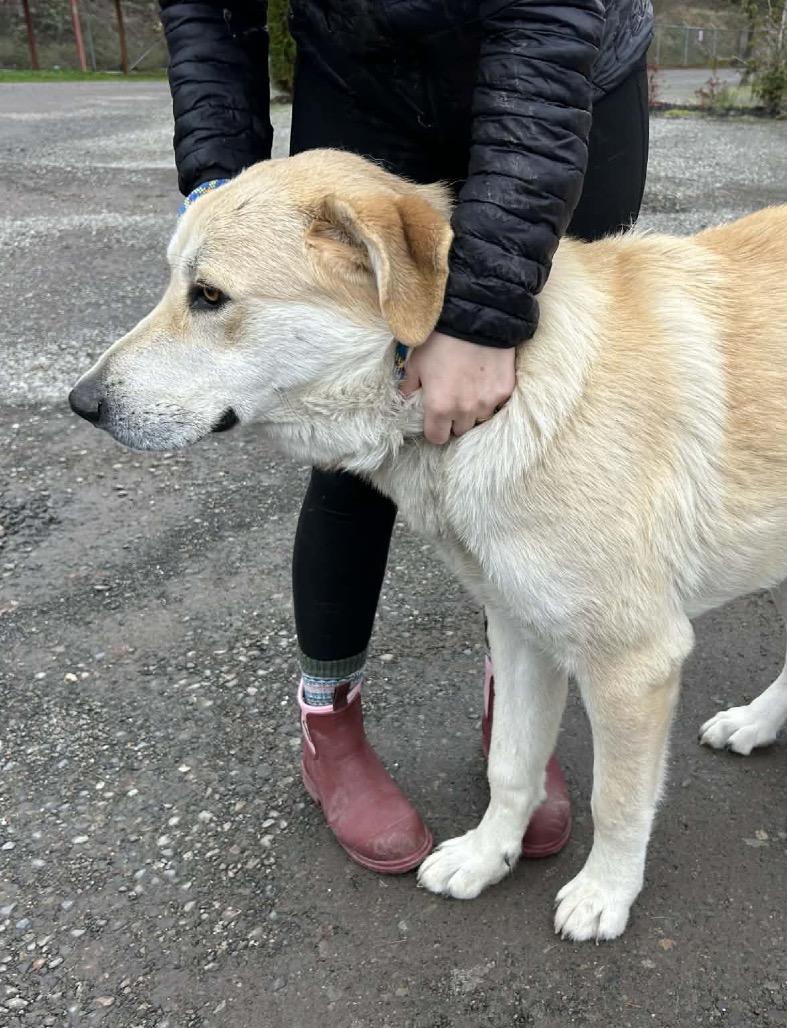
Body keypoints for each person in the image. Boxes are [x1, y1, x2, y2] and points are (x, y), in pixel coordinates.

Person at [159, 0, 653, 873]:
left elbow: (546, 19)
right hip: (361, 71)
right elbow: (206, 9)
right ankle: (329, 722)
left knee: (557, 420)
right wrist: (219, 185)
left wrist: (487, 314)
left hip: (557, 70)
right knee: (349, 434)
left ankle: (520, 724)